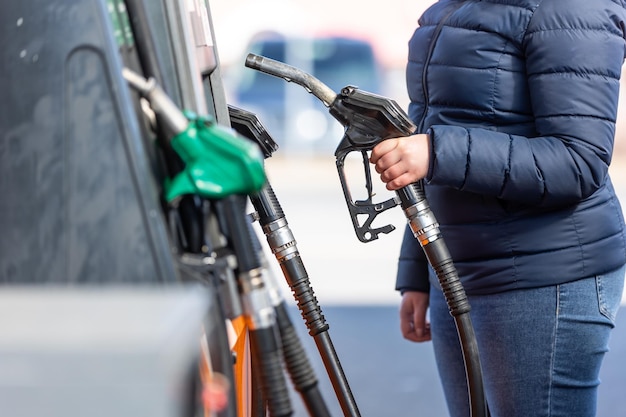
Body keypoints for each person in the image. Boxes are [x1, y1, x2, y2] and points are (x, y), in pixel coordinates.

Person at [369, 1, 626, 416]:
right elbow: (436, 125)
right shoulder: (453, 7)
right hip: (457, 271)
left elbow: (578, 161)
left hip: (543, 276)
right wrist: (420, 269)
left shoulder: (572, 9)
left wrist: (437, 152)